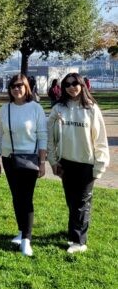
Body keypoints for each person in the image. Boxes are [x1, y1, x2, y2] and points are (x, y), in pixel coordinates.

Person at [47, 73, 109, 254]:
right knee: (72, 201)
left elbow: (100, 140)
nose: (71, 87)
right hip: (66, 163)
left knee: (82, 203)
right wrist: (53, 161)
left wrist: (99, 166)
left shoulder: (91, 109)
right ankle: (75, 230)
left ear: (82, 85)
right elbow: (50, 138)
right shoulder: (58, 108)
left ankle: (78, 241)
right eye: (67, 84)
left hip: (86, 164)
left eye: (75, 83)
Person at [0, 74, 47, 257]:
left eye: (20, 86)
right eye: (13, 86)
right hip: (9, 159)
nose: (16, 89)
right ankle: (21, 230)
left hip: (30, 159)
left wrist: (42, 162)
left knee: (26, 198)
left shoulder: (35, 108)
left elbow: (42, 136)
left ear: (26, 88)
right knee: (16, 197)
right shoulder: (5, 109)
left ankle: (26, 239)